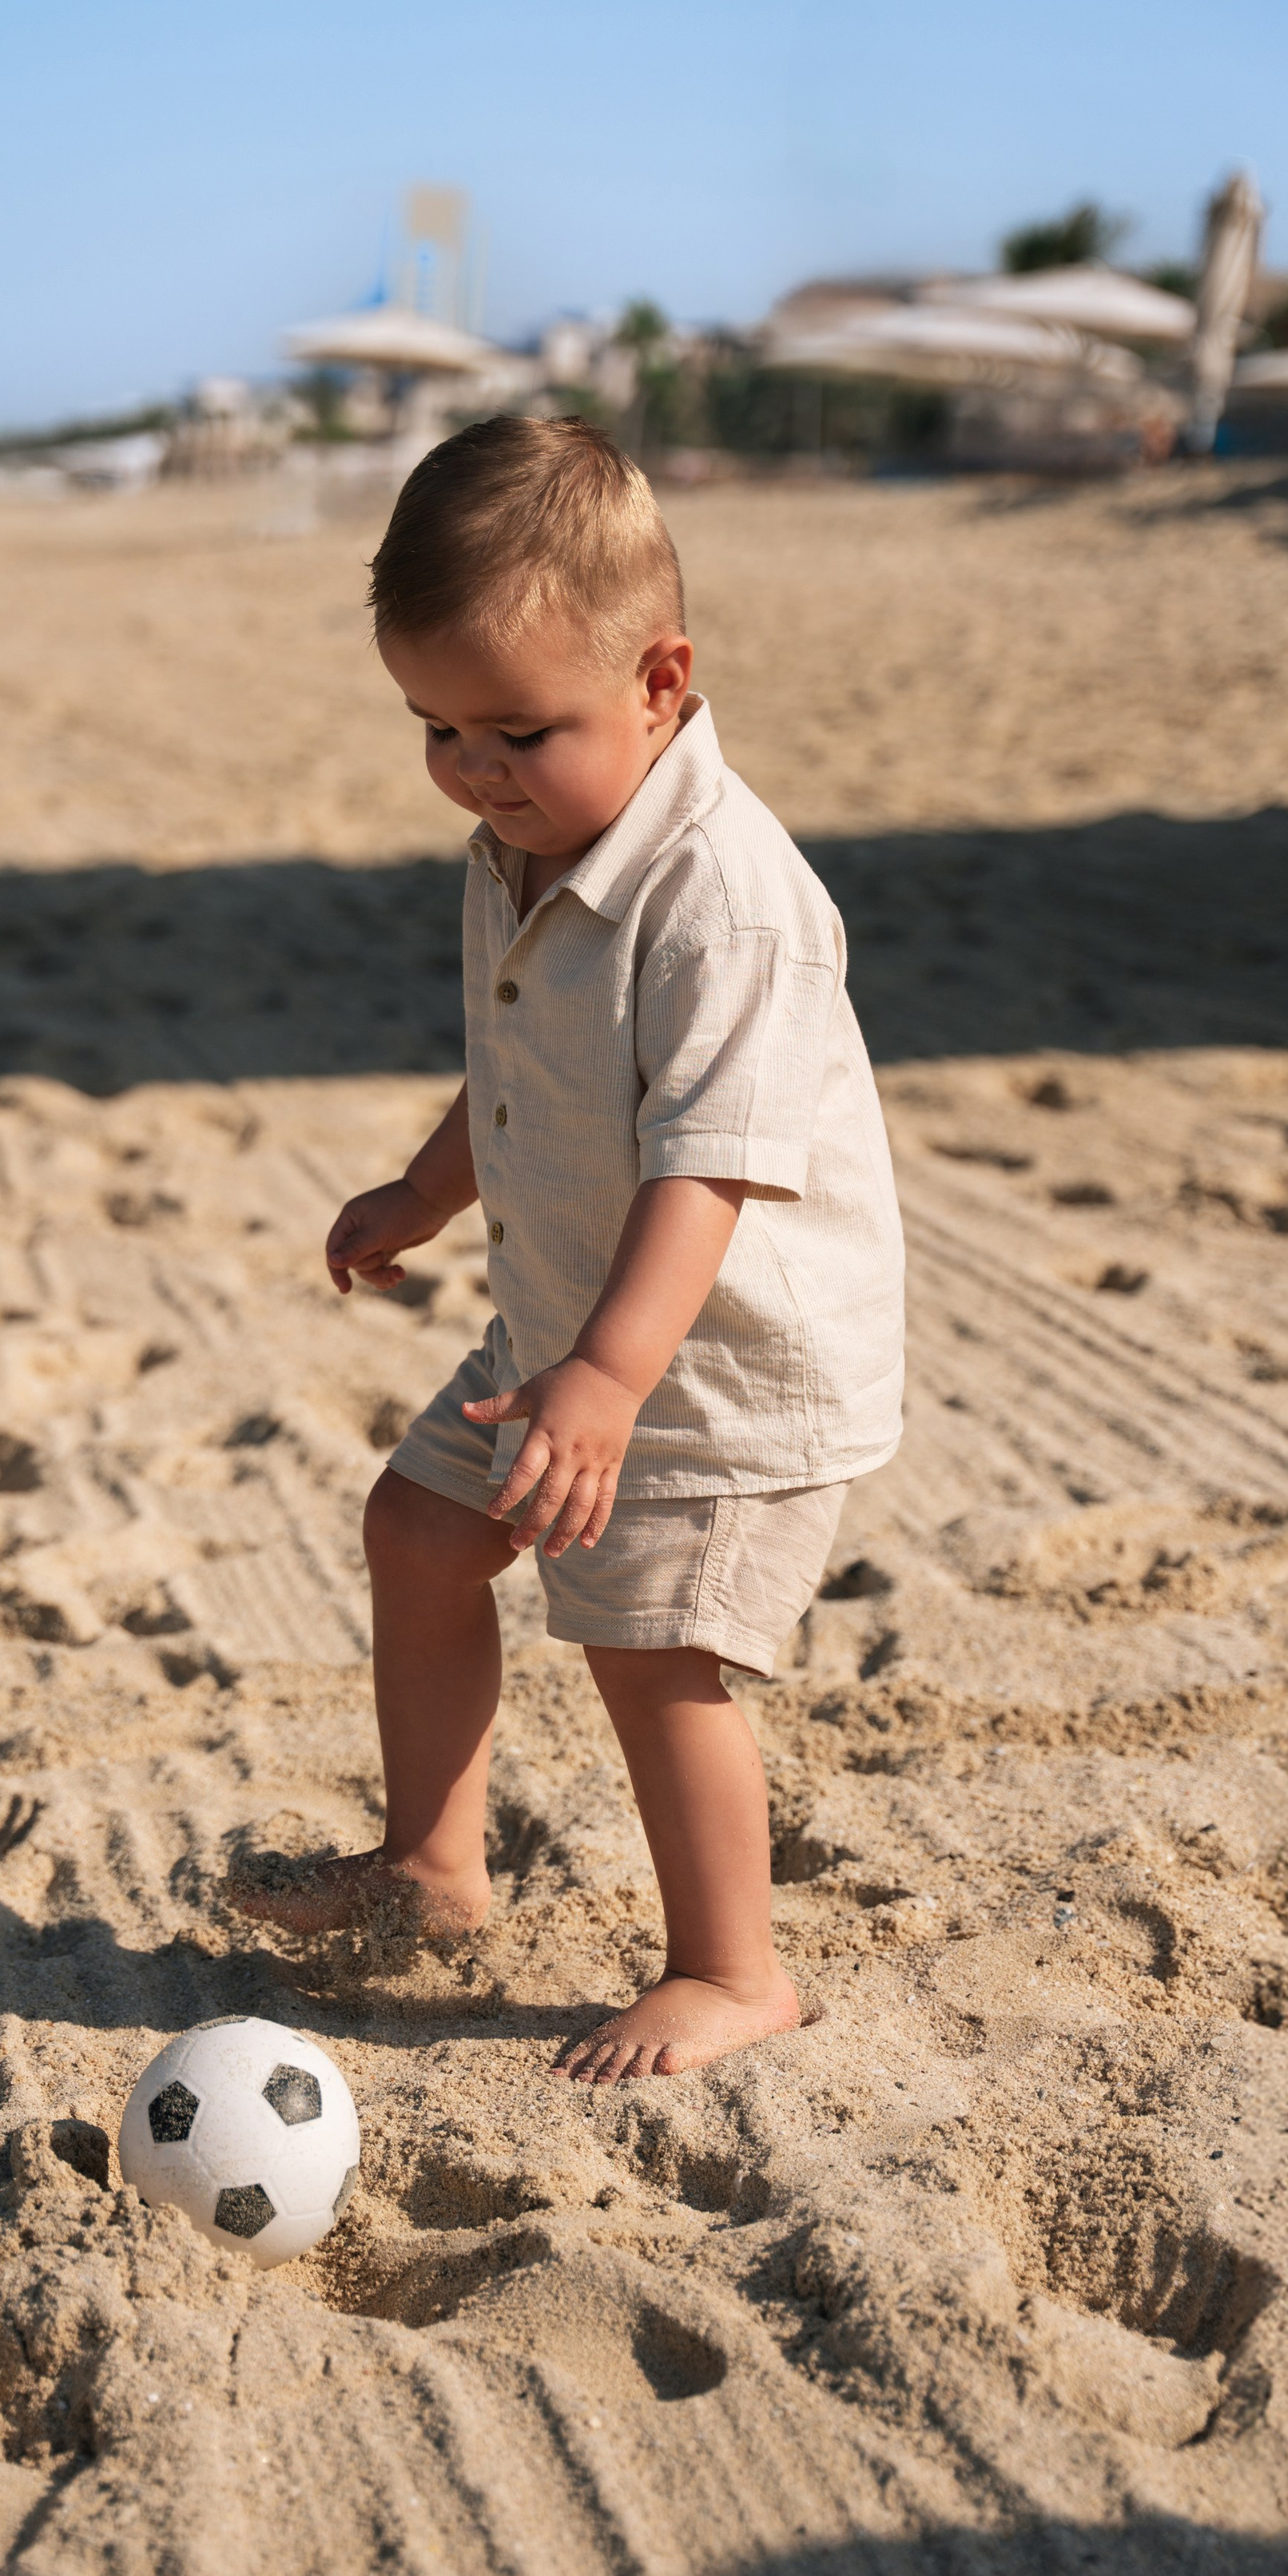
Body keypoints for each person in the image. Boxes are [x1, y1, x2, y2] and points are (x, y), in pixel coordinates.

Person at [233, 415, 904, 2081]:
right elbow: (525, 1057)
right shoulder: (533, 835)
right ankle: (433, 1865)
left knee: (647, 1646)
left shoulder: (723, 900)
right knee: (416, 1529)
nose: (472, 769)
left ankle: (731, 1969)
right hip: (560, 1320)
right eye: (436, 729)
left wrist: (608, 1377)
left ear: (661, 679)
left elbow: (710, 1162)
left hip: (704, 1363)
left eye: (516, 730)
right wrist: (424, 1188)